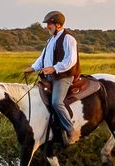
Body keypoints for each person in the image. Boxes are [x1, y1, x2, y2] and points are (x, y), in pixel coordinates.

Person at [28, 10, 80, 145]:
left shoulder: (68, 38)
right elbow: (43, 58)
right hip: (50, 76)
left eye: (49, 24)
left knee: (56, 102)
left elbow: (71, 60)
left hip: (63, 76)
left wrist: (54, 68)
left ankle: (70, 131)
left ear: (58, 24)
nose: (47, 27)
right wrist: (33, 68)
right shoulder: (51, 40)